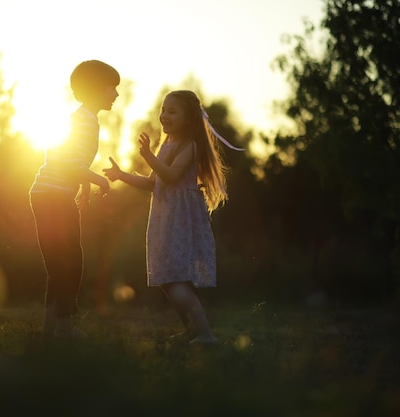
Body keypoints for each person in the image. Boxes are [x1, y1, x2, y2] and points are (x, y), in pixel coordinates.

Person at [103, 90, 243, 344]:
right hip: (165, 218)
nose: (164, 115)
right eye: (163, 110)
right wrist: (122, 174)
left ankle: (205, 333)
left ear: (188, 119)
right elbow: (151, 183)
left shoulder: (189, 146)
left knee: (175, 278)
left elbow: (170, 176)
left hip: (180, 218)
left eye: (172, 111)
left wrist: (148, 156)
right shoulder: (165, 144)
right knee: (166, 279)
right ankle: (190, 328)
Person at [30, 60, 120, 338]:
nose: (116, 94)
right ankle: (65, 328)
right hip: (53, 196)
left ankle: (50, 330)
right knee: (69, 262)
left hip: (50, 193)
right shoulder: (84, 121)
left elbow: (67, 159)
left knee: (59, 264)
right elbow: (69, 163)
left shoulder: (81, 119)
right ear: (96, 90)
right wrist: (98, 180)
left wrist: (81, 187)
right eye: (112, 88)